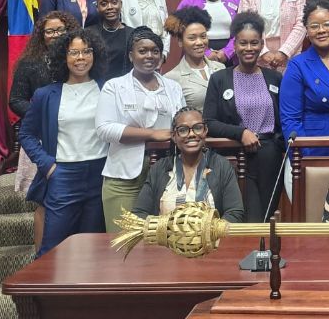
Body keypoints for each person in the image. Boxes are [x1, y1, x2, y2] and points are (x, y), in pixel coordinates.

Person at [19, 27, 108, 257]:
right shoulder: (46, 94)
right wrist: (47, 165)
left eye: (86, 51)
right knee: (53, 247)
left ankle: (81, 292)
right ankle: (44, 293)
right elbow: (26, 134)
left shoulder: (107, 89)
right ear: (63, 57)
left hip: (100, 173)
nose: (81, 58)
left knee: (91, 247)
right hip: (63, 174)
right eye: (73, 53)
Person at [95, 27, 186, 233]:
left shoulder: (173, 87)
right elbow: (104, 129)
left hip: (167, 174)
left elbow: (182, 123)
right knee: (124, 241)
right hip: (124, 177)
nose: (149, 56)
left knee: (164, 240)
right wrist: (152, 135)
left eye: (155, 51)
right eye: (142, 51)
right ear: (131, 55)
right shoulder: (114, 86)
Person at [203, 13, 285, 222]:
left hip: (271, 157)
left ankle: (265, 255)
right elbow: (209, 123)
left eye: (254, 43)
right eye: (243, 43)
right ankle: (246, 255)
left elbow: (282, 120)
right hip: (235, 158)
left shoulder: (274, 77)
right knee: (247, 217)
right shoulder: (219, 78)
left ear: (262, 44)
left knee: (267, 217)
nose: (249, 48)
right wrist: (241, 133)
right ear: (235, 44)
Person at [9, 10, 79, 250]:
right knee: (44, 200)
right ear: (41, 35)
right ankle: (41, 256)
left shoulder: (77, 59)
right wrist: (42, 116)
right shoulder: (30, 62)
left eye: (60, 29)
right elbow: (15, 99)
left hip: (73, 139)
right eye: (49, 31)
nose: (55, 34)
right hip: (41, 137)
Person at [132, 106, 245, 223]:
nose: (191, 134)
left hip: (211, 239)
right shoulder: (159, 168)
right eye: (183, 130)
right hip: (165, 239)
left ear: (205, 131)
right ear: (174, 136)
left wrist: (209, 234)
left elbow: (234, 213)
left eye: (198, 128)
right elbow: (139, 213)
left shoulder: (222, 166)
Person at [280, 0, 329, 156]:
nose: (321, 30)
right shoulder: (298, 66)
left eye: (327, 24)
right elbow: (290, 119)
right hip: (314, 149)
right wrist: (302, 158)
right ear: (307, 31)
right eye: (314, 26)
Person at [163, 7, 225, 112]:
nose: (200, 42)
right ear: (180, 41)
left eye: (203, 36)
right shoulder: (171, 78)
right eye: (192, 38)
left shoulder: (220, 68)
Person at [177, 0, 241, 64]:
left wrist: (227, 52)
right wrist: (206, 53)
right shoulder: (189, 1)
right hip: (196, 53)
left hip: (231, 56)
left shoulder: (237, 0)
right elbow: (177, 28)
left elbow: (243, 30)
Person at [90, 0, 131, 79]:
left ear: (121, 4)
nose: (110, 7)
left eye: (114, 2)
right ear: (97, 8)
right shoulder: (89, 34)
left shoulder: (132, 34)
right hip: (97, 87)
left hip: (124, 87)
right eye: (104, 4)